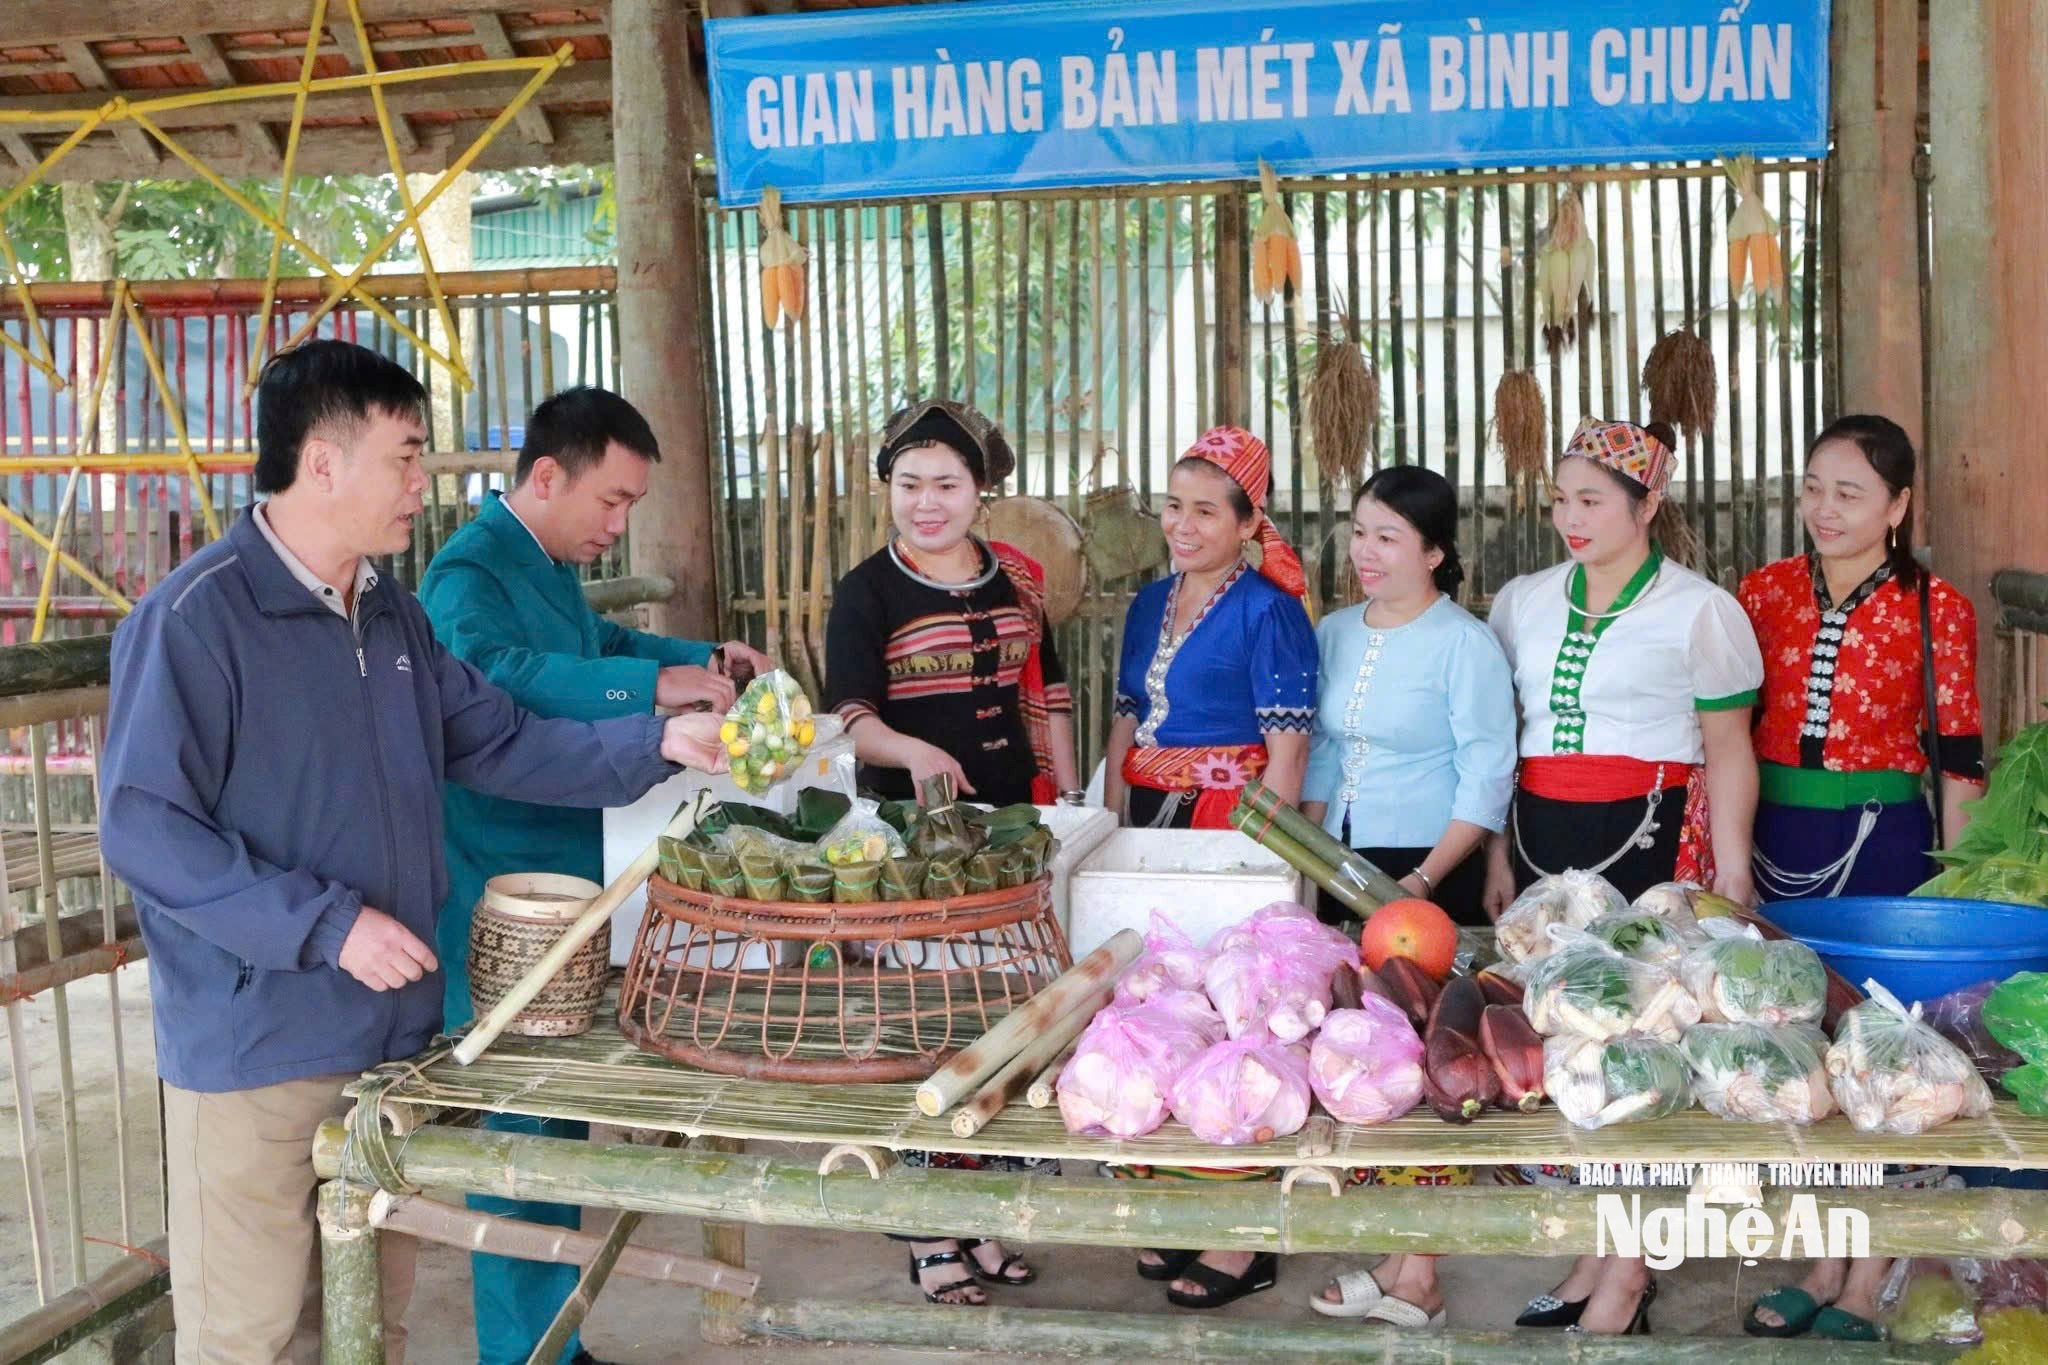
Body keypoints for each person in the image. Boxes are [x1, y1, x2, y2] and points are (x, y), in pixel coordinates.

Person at [98, 340, 728, 1365]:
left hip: (387, 1039)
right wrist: (326, 924)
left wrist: (650, 743)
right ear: (323, 462)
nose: (422, 482)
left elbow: (496, 738)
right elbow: (144, 829)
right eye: (405, 454)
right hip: (258, 1042)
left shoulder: (389, 611)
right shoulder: (196, 618)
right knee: (250, 1336)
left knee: (363, 1326)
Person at [417, 386, 770, 1365]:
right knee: (523, 1127)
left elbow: (596, 644)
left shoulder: (538, 562)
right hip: (507, 882)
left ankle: (553, 1346)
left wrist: (691, 656)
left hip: (568, 858)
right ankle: (520, 1353)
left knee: (558, 1117)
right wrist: (650, 692)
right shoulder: (466, 574)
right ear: (545, 476)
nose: (618, 526)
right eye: (611, 502)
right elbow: (493, 674)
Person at [1482, 416, 1764, 1337]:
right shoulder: (1522, 599)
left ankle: (1630, 1276)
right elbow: (1505, 740)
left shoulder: (1699, 609)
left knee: (1642, 1051)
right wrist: (1496, 852)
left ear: (1649, 504)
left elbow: (1727, 750)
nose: (1571, 516)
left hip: (1653, 844)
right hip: (1541, 841)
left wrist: (1729, 876)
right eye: (1561, 498)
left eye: (1593, 500)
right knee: (1566, 1051)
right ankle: (1596, 1251)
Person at [1735, 414, 1986, 1343]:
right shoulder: (1761, 593)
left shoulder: (1936, 609)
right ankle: (1820, 1254)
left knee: (1880, 1052)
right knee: (1796, 1046)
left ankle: (1867, 1269)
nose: (1824, 508)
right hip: (1776, 838)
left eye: (1849, 491)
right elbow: (1727, 733)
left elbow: (1959, 760)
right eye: (1812, 487)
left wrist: (1955, 892)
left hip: (1886, 849)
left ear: (1898, 503)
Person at [824, 398, 1078, 1306]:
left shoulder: (1016, 578)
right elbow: (852, 718)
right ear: (887, 489)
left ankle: (986, 1213)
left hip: (1009, 832)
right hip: (910, 844)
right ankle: (930, 1228)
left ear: (982, 492)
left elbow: (1045, 690)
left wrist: (1069, 797)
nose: (926, 504)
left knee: (1005, 1017)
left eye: (946, 485)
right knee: (921, 1027)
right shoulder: (869, 589)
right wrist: (915, 752)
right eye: (909, 485)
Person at [1103, 425, 1318, 1310]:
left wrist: (1262, 865)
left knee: (1239, 1019)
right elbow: (1124, 721)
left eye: (1204, 510)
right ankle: (1176, 1203)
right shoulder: (1148, 602)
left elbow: (1290, 749)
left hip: (1235, 826)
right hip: (1149, 822)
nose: (1182, 525)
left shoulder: (1270, 609)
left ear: (1245, 521)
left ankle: (1243, 1237)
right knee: (1156, 1005)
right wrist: (1109, 829)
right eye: (1173, 506)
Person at [1299, 466, 1515, 1330]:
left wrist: (1423, 883)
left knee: (1428, 1065)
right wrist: (1308, 862)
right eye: (1359, 531)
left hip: (1428, 869)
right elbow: (1315, 751)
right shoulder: (1334, 629)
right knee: (1358, 1056)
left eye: (1389, 536)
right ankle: (1394, 1249)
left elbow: (1488, 770)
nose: (1366, 551)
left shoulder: (1464, 642)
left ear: (1434, 550)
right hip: (1339, 863)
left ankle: (1419, 1270)